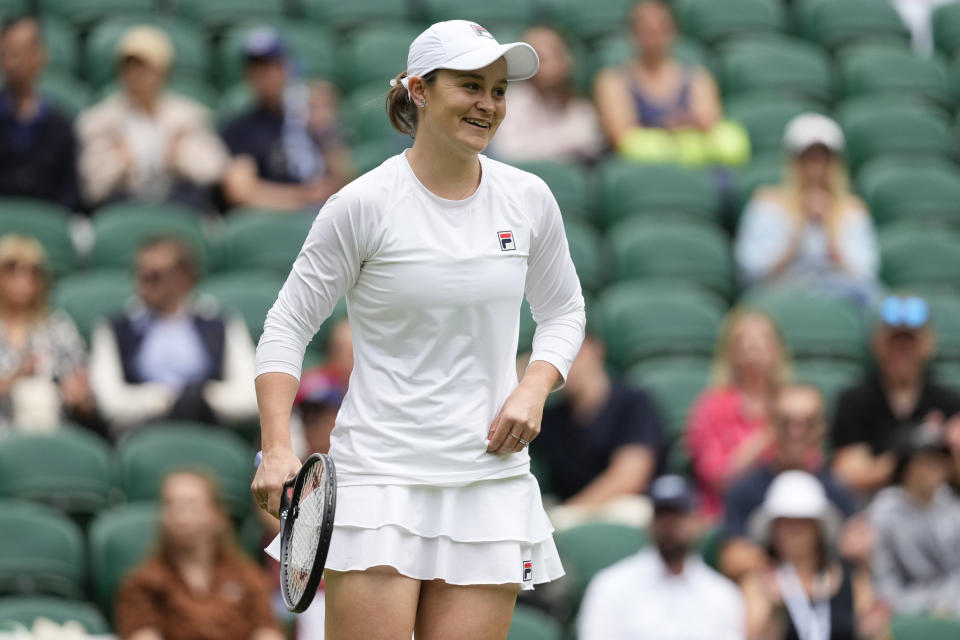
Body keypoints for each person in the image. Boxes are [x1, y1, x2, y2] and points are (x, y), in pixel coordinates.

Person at [251, 20, 585, 639]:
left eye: (499, 89)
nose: (489, 103)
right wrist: (276, 445)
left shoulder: (530, 199)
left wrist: (535, 385)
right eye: (471, 86)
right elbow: (287, 324)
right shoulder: (363, 204)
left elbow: (564, 311)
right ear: (419, 90)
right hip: (380, 478)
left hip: (489, 478)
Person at [89, 236, 257, 434]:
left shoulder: (221, 324)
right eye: (140, 275)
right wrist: (166, 398)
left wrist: (201, 397)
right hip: (141, 433)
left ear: (185, 277)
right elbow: (111, 403)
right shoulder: (113, 328)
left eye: (155, 276)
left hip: (211, 428)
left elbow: (251, 397)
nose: (143, 286)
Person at [115, 470, 283, 640]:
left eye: (190, 505)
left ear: (217, 516)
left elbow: (268, 632)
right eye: (170, 504)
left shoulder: (249, 577)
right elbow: (142, 634)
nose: (180, 515)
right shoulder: (143, 583)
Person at [735, 113, 880, 307]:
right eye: (808, 159)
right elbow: (752, 272)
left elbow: (865, 276)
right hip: (782, 289)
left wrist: (830, 233)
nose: (816, 168)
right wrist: (798, 231)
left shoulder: (853, 210)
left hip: (840, 290)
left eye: (823, 159)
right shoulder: (766, 204)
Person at [76, 25, 228, 210]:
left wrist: (180, 158)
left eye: (144, 67)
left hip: (179, 205)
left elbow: (215, 170)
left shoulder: (189, 116)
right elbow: (91, 187)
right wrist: (120, 165)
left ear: (163, 71)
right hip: (122, 207)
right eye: (129, 67)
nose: (136, 75)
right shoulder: (99, 120)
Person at [720, 385, 860, 583]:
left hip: (825, 594)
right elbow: (732, 559)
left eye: (808, 423)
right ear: (770, 426)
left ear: (822, 428)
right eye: (786, 422)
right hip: (767, 595)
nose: (796, 432)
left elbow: (856, 549)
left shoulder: (838, 492)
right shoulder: (744, 491)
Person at [578, 475, 746, 640]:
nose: (669, 525)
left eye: (678, 516)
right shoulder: (611, 586)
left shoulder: (723, 594)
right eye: (662, 516)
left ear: (697, 521)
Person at [832, 295, 960, 495]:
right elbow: (848, 475)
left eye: (910, 345)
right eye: (894, 343)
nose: (901, 352)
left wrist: (953, 451)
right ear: (878, 344)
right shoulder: (855, 400)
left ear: (928, 344)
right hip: (875, 510)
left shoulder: (949, 401)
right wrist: (909, 456)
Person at [535, 332, 663, 525]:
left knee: (634, 510)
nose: (563, 364)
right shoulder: (550, 417)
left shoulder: (632, 401)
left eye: (570, 353)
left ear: (595, 351)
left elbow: (630, 477)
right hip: (571, 510)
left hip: (628, 507)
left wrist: (569, 514)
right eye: (553, 357)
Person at [221, 27, 354, 211]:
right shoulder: (240, 127)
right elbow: (241, 191)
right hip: (276, 218)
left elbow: (347, 180)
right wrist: (304, 196)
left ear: (287, 68)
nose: (265, 75)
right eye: (256, 68)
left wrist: (325, 132)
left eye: (271, 66)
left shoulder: (310, 115)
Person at [744, 471, 888, 640]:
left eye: (803, 521)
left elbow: (878, 633)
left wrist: (869, 633)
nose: (794, 529)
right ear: (772, 529)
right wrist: (775, 610)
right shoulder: (758, 582)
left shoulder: (853, 577)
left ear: (819, 527)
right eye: (784, 521)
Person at [687, 308, 791, 519]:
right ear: (731, 352)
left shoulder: (792, 404)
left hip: (786, 510)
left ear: (778, 349)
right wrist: (765, 439)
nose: (754, 347)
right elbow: (717, 477)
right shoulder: (711, 407)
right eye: (744, 341)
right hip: (726, 513)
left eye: (763, 339)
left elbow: (809, 466)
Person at [0, 234, 95, 432]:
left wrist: (80, 396)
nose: (23, 279)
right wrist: (13, 380)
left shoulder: (58, 326)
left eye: (33, 272)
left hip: (54, 428)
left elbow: (85, 402)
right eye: (12, 269)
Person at [869, 424, 960, 617]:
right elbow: (882, 578)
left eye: (939, 461)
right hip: (901, 611)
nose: (935, 469)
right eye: (925, 462)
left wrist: (946, 604)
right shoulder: (883, 511)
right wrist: (922, 609)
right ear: (906, 467)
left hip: (952, 608)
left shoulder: (953, 509)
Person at [486, 25, 604, 163]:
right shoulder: (509, 102)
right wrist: (567, 147)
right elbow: (509, 151)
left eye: (550, 50)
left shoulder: (580, 106)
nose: (542, 57)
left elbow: (590, 144)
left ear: (567, 60)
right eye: (535, 53)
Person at [0, 15, 79, 209]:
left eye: (22, 52)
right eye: (8, 53)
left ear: (40, 55)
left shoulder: (60, 126)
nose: (14, 63)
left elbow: (70, 195)